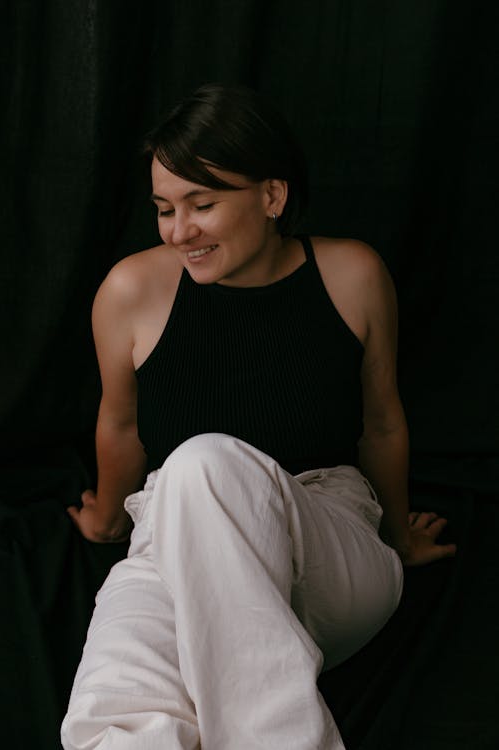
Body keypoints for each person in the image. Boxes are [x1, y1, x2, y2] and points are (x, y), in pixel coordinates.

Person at [61, 83, 456, 750]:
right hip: (171, 537)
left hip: (327, 539)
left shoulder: (350, 274)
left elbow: (381, 423)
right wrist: (105, 518)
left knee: (202, 464)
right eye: (164, 209)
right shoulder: (131, 289)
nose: (179, 230)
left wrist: (398, 534)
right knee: (110, 716)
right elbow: (120, 425)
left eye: (202, 204)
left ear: (271, 197)